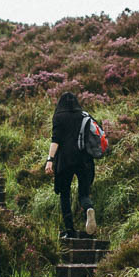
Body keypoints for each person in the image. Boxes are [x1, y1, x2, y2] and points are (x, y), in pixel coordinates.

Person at [44, 90, 97, 237]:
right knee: (84, 194)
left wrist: (50, 160)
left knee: (65, 194)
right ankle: (88, 209)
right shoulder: (83, 116)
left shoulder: (59, 117)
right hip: (84, 160)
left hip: (65, 160)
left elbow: (56, 140)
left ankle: (70, 230)